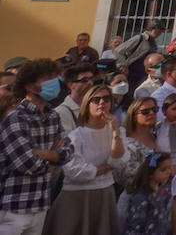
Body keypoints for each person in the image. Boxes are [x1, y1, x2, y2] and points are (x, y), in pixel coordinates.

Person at [0, 59, 69, 235]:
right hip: (13, 207)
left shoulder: (53, 116)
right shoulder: (16, 118)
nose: (56, 82)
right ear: (30, 86)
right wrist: (55, 158)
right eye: (49, 78)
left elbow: (69, 151)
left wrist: (45, 154)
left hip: (40, 204)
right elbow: (26, 163)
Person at [45, 84, 124, 235]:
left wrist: (115, 131)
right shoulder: (76, 135)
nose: (102, 102)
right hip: (77, 198)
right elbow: (76, 172)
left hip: (105, 194)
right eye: (96, 99)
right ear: (87, 103)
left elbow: (120, 160)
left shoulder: (116, 132)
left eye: (106, 99)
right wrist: (107, 167)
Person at [118, 151, 174, 235]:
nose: (168, 172)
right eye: (163, 170)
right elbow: (136, 225)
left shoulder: (162, 192)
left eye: (169, 168)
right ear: (151, 173)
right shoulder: (141, 197)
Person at [118, 97, 163, 190]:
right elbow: (128, 179)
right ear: (133, 116)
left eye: (154, 110)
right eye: (145, 112)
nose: (151, 113)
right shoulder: (127, 143)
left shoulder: (159, 136)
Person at [116, 22, 166, 90]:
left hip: (144, 73)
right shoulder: (139, 38)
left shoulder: (153, 42)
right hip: (132, 71)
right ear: (153, 29)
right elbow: (119, 50)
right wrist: (123, 65)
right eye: (160, 30)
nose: (160, 33)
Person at [56, 63, 97, 133]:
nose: (90, 83)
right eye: (84, 80)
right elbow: (68, 141)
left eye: (91, 79)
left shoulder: (96, 106)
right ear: (71, 85)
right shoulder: (62, 112)